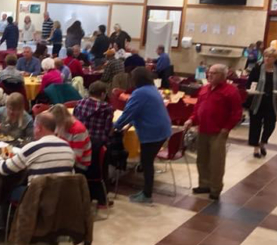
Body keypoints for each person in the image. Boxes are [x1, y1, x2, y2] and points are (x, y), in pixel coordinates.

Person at [185, 64, 243, 201]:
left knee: (216, 162)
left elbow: (237, 113)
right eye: (209, 72)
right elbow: (198, 108)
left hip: (218, 132)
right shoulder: (204, 88)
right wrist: (191, 119)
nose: (209, 75)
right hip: (202, 129)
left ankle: (215, 188)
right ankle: (204, 184)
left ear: (223, 75)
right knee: (202, 159)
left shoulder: (231, 91)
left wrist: (226, 128)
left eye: (214, 73)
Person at [114, 68, 172, 204]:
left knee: (147, 163)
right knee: (147, 162)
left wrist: (115, 127)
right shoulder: (151, 89)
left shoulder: (140, 93)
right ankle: (146, 192)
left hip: (152, 133)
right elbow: (140, 111)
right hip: (162, 130)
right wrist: (128, 125)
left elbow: (128, 113)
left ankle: (147, 195)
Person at [0, 112, 75, 183]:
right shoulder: (68, 148)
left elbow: (5, 169)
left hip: (37, 195)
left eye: (34, 127)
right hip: (63, 195)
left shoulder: (33, 148)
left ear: (39, 128)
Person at [247, 49, 277, 158]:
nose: (267, 59)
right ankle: (255, 148)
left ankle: (263, 142)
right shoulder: (257, 69)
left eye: (270, 57)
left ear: (275, 59)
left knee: (270, 125)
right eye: (266, 56)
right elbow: (250, 84)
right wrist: (252, 90)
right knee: (255, 125)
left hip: (272, 101)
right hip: (257, 100)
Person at [50, 104, 92, 171]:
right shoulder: (62, 126)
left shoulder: (78, 130)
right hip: (66, 157)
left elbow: (76, 158)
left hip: (79, 165)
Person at [74, 81, 114, 148]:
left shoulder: (79, 103)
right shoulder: (107, 108)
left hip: (81, 140)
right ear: (102, 94)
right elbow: (108, 129)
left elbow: (74, 120)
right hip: (99, 144)